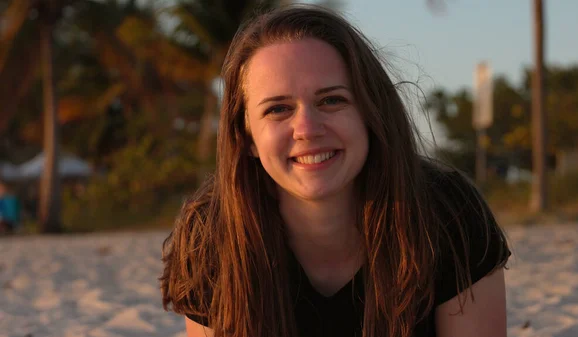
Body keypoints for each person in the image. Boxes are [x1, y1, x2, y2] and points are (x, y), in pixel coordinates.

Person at [160, 5, 511, 337]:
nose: (307, 128)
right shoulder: (211, 235)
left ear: (371, 114)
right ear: (247, 137)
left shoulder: (447, 213)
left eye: (331, 100)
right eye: (278, 109)